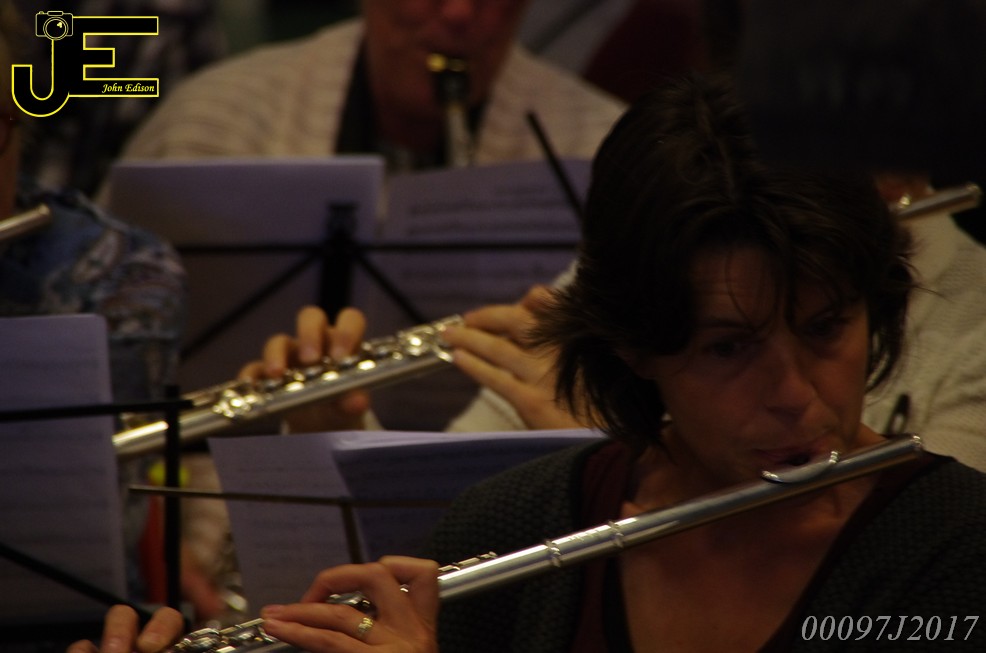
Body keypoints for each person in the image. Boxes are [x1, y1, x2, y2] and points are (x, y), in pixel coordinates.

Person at [73, 73, 986, 653]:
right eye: (729, 348)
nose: (795, 395)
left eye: (826, 327)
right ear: (635, 346)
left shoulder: (954, 550)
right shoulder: (513, 523)